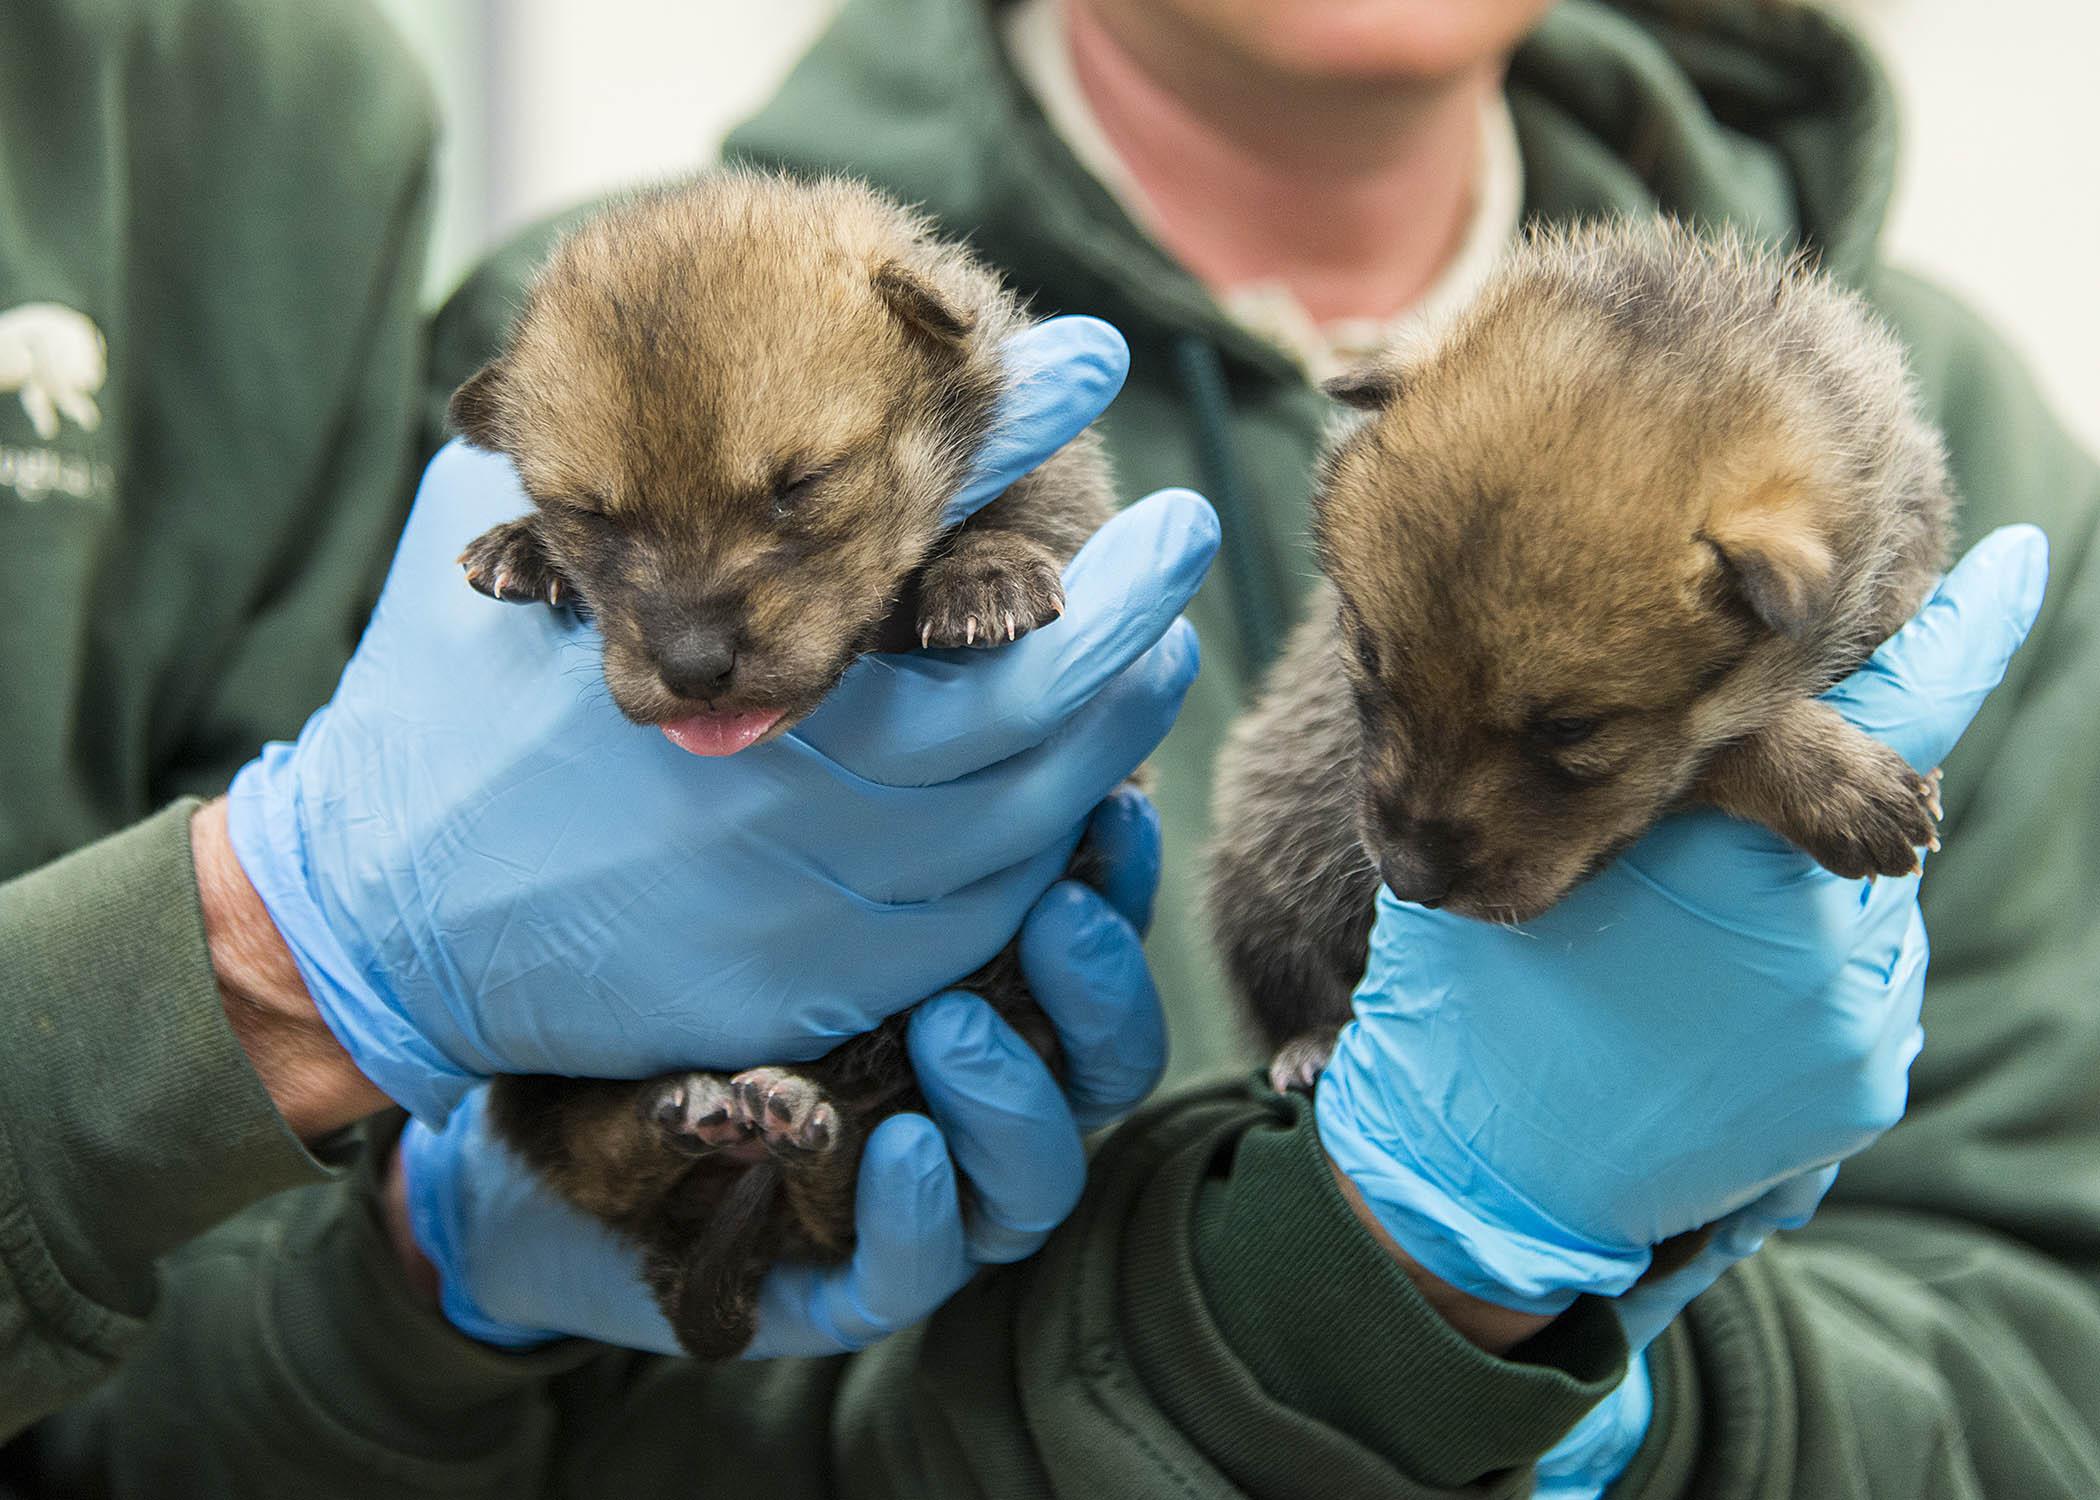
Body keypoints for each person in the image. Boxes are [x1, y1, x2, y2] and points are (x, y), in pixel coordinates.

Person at [12, 2, 2100, 1498]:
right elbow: (182, 1377)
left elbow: (2041, 1356)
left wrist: (1574, 1382)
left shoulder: (1941, 455)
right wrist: (431, 1277)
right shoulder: (626, 334)